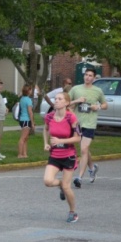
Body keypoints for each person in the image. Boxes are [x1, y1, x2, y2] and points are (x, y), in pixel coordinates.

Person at [42, 92, 81, 223]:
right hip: (54, 155)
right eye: (55, 99)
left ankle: (73, 212)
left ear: (66, 103)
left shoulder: (71, 117)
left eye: (60, 99)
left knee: (67, 187)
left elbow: (78, 138)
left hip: (68, 155)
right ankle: (61, 185)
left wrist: (61, 140)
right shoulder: (49, 117)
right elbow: (46, 129)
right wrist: (46, 143)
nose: (56, 101)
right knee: (47, 181)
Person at [69, 68, 107, 188]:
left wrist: (98, 107)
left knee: (84, 149)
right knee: (84, 149)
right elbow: (66, 102)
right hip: (77, 123)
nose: (88, 77)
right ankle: (92, 168)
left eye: (90, 75)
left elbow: (106, 105)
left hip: (90, 123)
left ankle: (79, 177)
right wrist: (77, 100)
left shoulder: (98, 91)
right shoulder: (76, 89)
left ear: (94, 78)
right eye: (86, 75)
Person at [17, 85, 36, 158]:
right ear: (28, 91)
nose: (31, 91)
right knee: (23, 138)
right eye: (30, 90)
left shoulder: (22, 99)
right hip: (26, 119)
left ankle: (24, 153)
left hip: (22, 119)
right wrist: (32, 122)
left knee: (26, 138)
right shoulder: (28, 100)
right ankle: (20, 154)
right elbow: (30, 112)